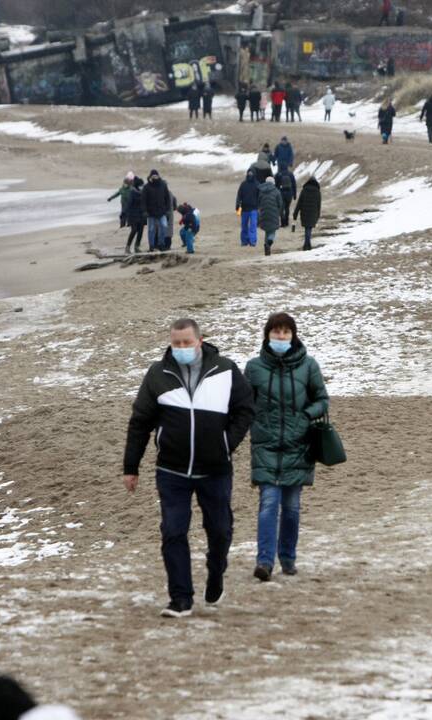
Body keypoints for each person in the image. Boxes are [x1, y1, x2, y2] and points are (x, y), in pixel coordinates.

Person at [123, 318, 255, 618]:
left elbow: (246, 407)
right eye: (176, 343)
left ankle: (216, 571)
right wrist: (131, 466)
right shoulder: (158, 374)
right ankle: (180, 599)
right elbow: (140, 421)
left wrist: (227, 442)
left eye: (186, 342)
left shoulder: (225, 369)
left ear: (199, 340)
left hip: (216, 469)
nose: (181, 348)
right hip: (172, 470)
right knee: (173, 531)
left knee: (220, 531)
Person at [244, 312, 329, 581]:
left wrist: (305, 416)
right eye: (276, 332)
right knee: (269, 503)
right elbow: (244, 404)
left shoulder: (308, 366)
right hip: (266, 444)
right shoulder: (254, 367)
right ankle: (264, 562)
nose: (281, 337)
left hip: (298, 444)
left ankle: (288, 558)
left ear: (293, 336)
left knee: (291, 506)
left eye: (285, 332)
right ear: (267, 335)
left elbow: (322, 400)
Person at [142, 169, 171, 252]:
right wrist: (144, 211)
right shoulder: (146, 187)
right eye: (153, 176)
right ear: (150, 177)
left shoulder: (163, 185)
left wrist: (168, 210)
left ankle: (161, 244)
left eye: (156, 176)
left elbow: (167, 198)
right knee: (151, 230)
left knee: (164, 227)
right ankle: (151, 246)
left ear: (158, 176)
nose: (155, 177)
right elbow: (143, 200)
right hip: (151, 213)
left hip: (162, 212)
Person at [293, 175, 321, 251]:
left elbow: (299, 203)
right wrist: (318, 215)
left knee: (307, 228)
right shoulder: (317, 191)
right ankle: (307, 245)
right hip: (313, 213)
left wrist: (295, 213)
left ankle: (307, 245)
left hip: (304, 212)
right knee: (309, 229)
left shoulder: (304, 190)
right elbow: (319, 205)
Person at [258, 176, 283, 256]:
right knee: (272, 231)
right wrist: (279, 213)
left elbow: (259, 202)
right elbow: (280, 204)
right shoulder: (276, 191)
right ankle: (269, 241)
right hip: (274, 213)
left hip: (264, 213)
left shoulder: (261, 191)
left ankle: (267, 248)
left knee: (266, 230)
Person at [236, 170, 260, 247]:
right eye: (249, 173)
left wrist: (260, 206)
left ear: (254, 174)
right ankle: (244, 241)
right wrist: (237, 206)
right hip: (244, 209)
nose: (250, 175)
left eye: (251, 173)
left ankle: (252, 242)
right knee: (244, 226)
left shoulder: (257, 184)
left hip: (254, 209)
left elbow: (260, 196)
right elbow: (239, 196)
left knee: (253, 226)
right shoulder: (243, 184)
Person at [125, 177, 146, 254]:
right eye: (141, 185)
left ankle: (137, 246)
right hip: (133, 215)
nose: (142, 186)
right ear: (137, 185)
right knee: (134, 230)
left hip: (141, 215)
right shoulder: (132, 192)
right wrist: (127, 217)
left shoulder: (143, 192)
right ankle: (127, 247)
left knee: (140, 231)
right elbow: (129, 205)